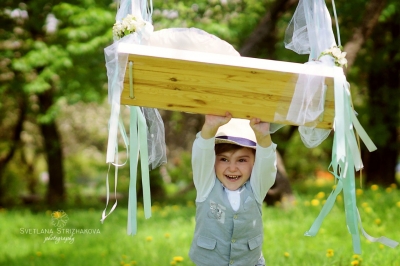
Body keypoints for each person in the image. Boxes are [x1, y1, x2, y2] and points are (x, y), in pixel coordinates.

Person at [189, 112, 277, 266]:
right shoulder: (206, 185)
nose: (232, 168)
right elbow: (201, 156)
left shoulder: (257, 187)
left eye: (242, 160)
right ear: (213, 160)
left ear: (254, 162)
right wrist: (209, 128)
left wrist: (263, 137)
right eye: (224, 159)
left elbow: (267, 164)